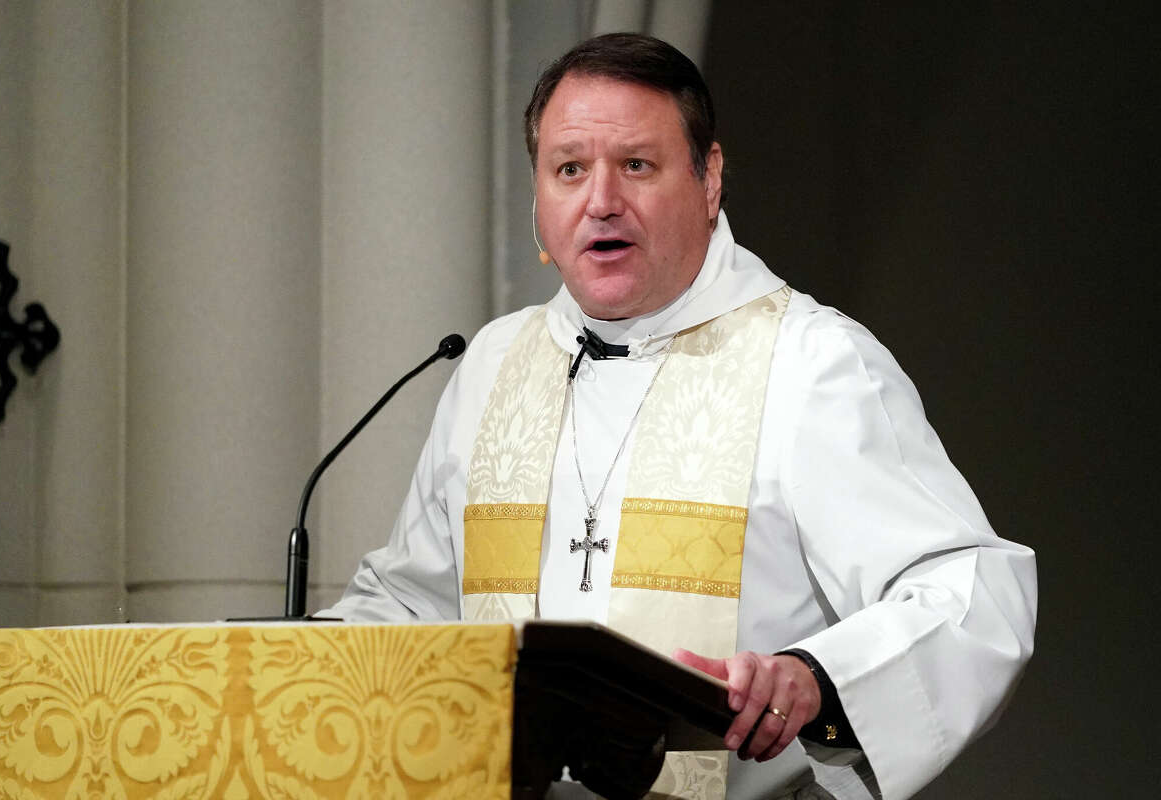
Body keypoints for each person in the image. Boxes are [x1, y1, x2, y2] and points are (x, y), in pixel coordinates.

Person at [325, 33, 1036, 800]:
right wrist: (297, 660)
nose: (600, 200)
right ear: (538, 200)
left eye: (636, 165)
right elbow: (416, 603)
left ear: (709, 179)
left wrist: (814, 680)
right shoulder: (495, 366)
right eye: (570, 169)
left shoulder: (811, 362)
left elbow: (973, 593)